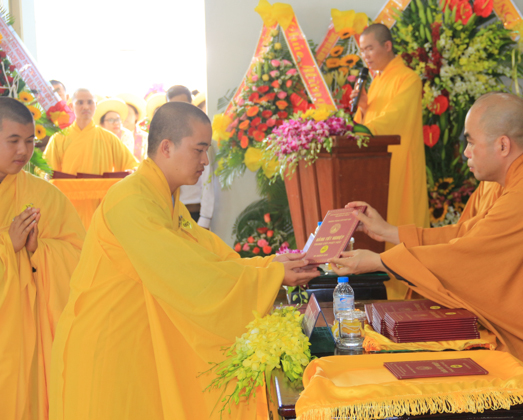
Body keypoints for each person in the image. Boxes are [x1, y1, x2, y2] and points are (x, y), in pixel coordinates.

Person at [330, 92, 523, 418]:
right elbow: (467, 235)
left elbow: (467, 255)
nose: (465, 152)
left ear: (502, 145)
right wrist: (390, 232)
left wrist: (379, 261)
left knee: (467, 392)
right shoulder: (518, 183)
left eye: (471, 142)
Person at [49, 102, 320, 420]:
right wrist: (272, 276)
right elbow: (186, 275)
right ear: (166, 147)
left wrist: (270, 264)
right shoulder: (131, 200)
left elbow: (207, 257)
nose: (205, 161)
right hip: (109, 347)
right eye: (199, 150)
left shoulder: (163, 198)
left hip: (134, 343)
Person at [0, 97, 85, 420]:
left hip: (29, 335)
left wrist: (40, 251)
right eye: (13, 141)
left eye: (30, 141)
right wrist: (7, 244)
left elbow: (79, 255)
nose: (23, 150)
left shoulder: (45, 196)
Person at [350, 23, 429, 298]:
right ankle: (379, 293)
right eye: (362, 51)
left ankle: (406, 295)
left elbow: (395, 117)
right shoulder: (377, 81)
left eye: (369, 48)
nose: (365, 56)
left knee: (399, 218)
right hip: (377, 167)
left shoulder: (408, 79)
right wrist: (363, 108)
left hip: (400, 164)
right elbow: (369, 122)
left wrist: (364, 127)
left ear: (387, 46)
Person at [44, 88, 138, 175]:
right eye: (80, 103)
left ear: (96, 105)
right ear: (71, 107)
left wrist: (132, 170)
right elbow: (46, 170)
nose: (85, 107)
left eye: (90, 102)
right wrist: (46, 175)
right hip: (67, 188)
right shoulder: (58, 139)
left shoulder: (110, 139)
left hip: (102, 188)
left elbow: (132, 165)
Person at [167, 85, 214, 227]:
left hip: (195, 213)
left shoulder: (201, 134)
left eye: (183, 105)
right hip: (171, 215)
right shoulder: (165, 138)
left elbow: (208, 181)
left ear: (191, 105)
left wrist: (204, 220)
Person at [117, 93, 148, 160]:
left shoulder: (145, 138)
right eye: (122, 113)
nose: (125, 116)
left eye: (128, 113)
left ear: (136, 116)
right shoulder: (113, 135)